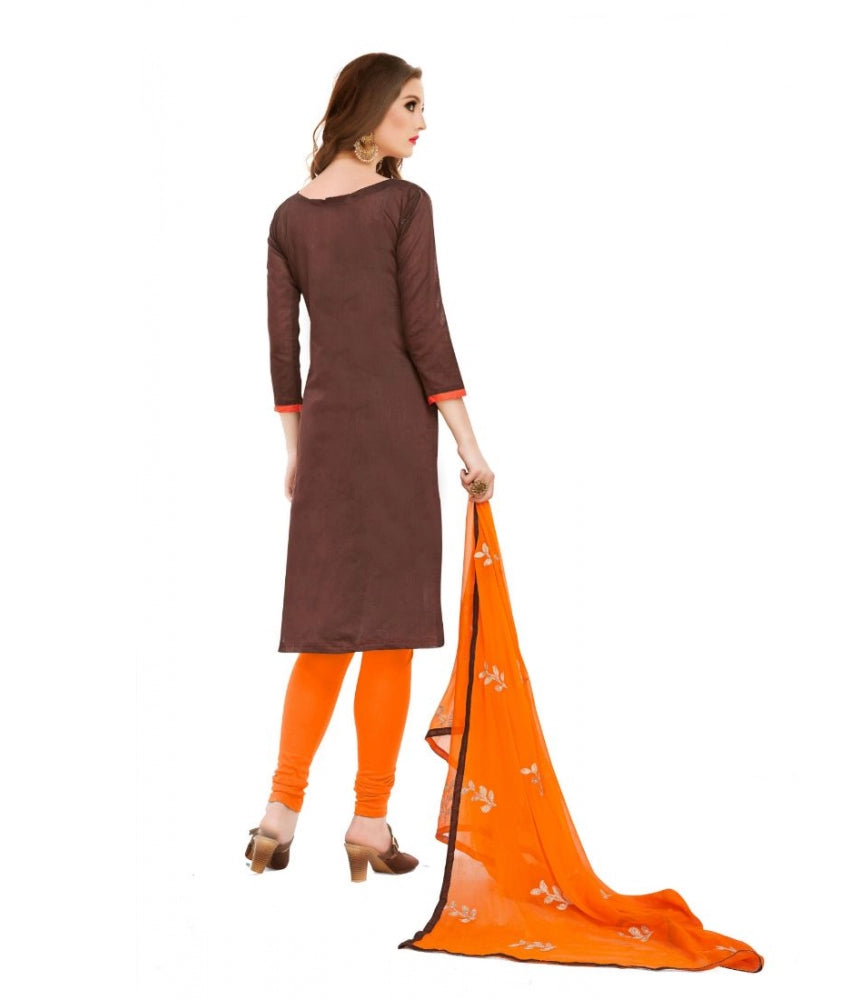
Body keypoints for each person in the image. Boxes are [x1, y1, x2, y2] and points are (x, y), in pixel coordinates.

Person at [245, 53, 494, 878]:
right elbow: (426, 329)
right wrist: (467, 444)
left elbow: (283, 349)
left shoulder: (288, 218)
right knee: (389, 634)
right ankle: (369, 820)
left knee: (324, 635)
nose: (422, 122)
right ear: (370, 110)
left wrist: (296, 451)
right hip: (394, 435)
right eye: (410, 106)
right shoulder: (403, 204)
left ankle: (279, 812)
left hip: (326, 439)